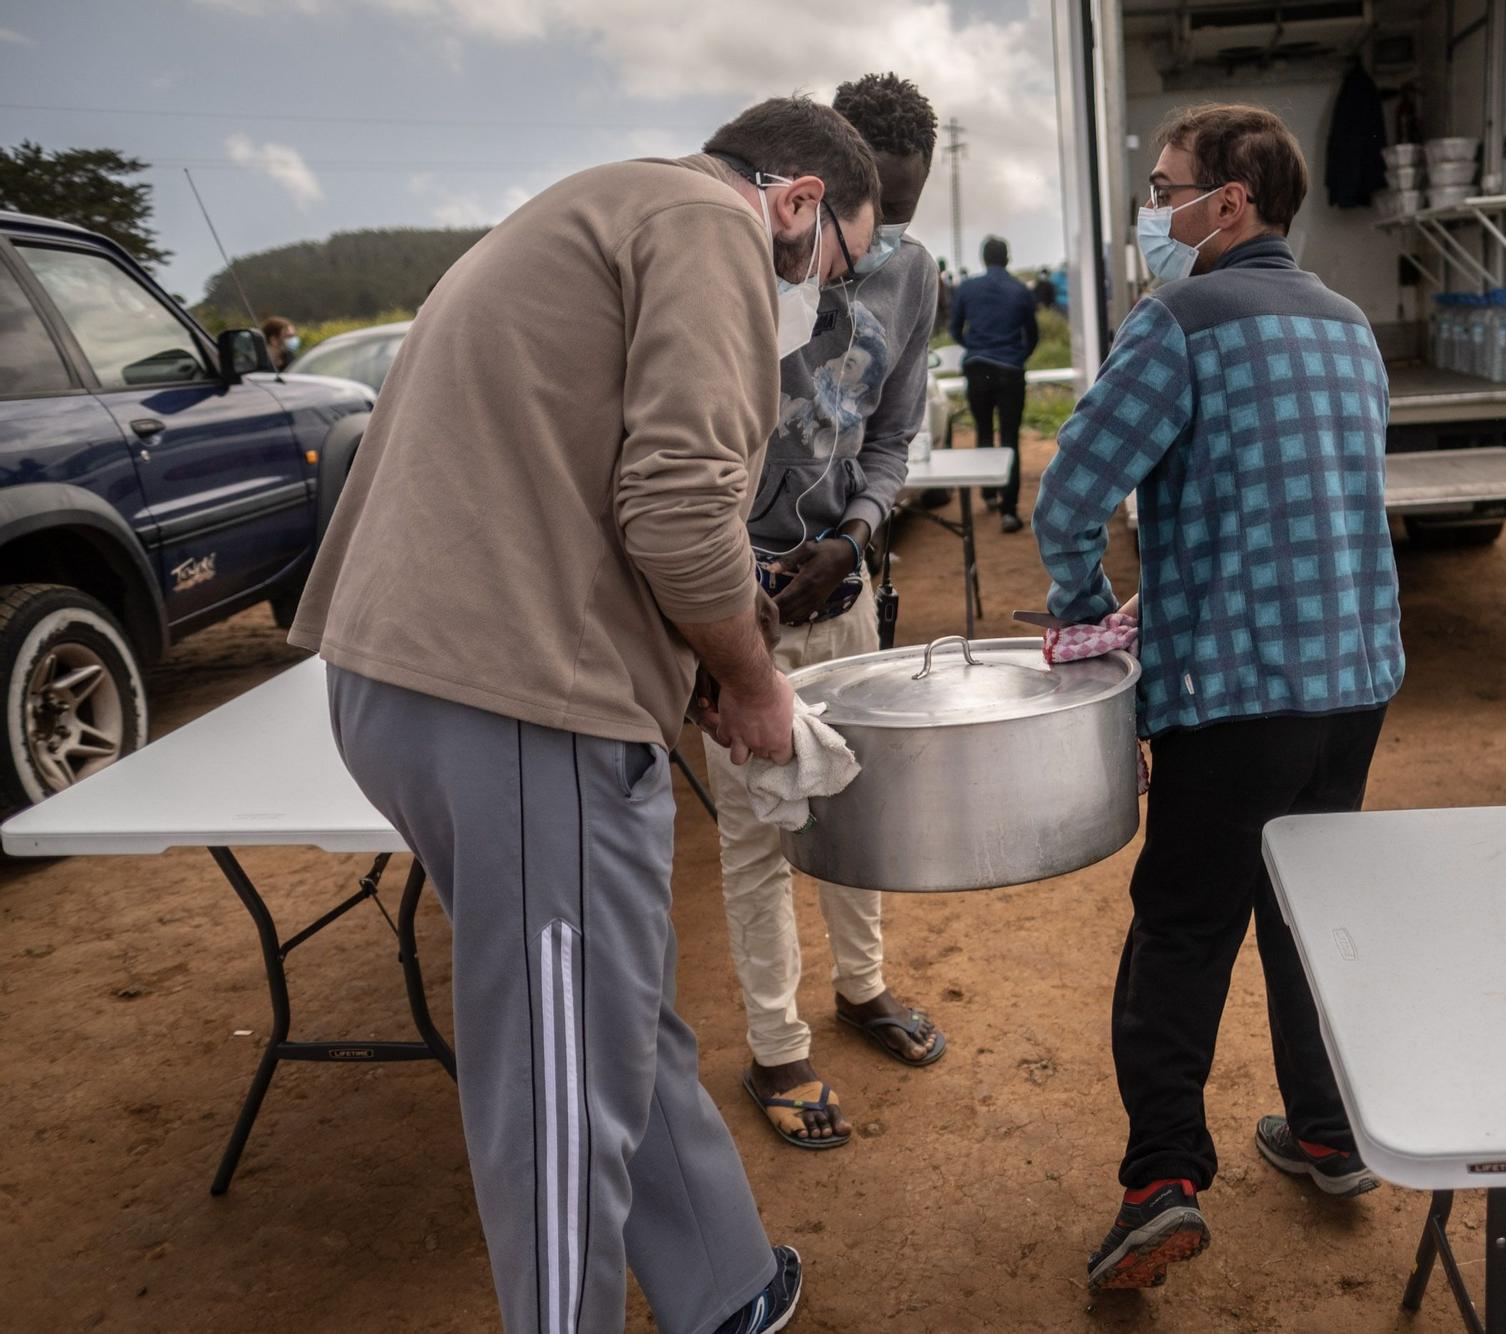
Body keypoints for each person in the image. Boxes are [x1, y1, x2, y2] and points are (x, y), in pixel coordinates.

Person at [288, 97, 880, 1334]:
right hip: (516, 701)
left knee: (609, 997)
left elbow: (590, 484)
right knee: (556, 1074)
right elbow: (673, 507)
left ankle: (721, 1282)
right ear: (799, 201)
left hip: (411, 677)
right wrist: (758, 681)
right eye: (836, 264)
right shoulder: (712, 230)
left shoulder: (594, 206)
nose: (824, 292)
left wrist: (708, 652)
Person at [1032, 103, 1404, 1292]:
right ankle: (1331, 1132)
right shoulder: (1350, 325)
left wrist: (1085, 601)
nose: (1151, 210)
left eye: (1162, 187)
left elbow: (1070, 491)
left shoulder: (1179, 319)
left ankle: (1158, 1179)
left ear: (1226, 202)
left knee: (1184, 925)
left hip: (1236, 690)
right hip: (1351, 681)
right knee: (1301, 913)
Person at [700, 72, 947, 1154]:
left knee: (857, 805)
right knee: (757, 830)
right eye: (868, 211)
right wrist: (731, 592)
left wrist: (852, 536)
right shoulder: (736, 262)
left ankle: (863, 987)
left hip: (840, 593)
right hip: (733, 606)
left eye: (901, 211)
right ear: (821, 188)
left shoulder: (914, 277)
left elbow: (891, 438)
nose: (878, 236)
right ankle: (774, 1045)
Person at [949, 235, 1039, 531]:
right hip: (1011, 370)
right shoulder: (1020, 290)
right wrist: (1017, 356)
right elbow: (1032, 335)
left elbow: (954, 330)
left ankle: (988, 492)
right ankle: (1009, 512)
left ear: (984, 259)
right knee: (1010, 437)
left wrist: (975, 348)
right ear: (1008, 258)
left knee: (984, 430)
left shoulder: (968, 288)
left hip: (978, 368)